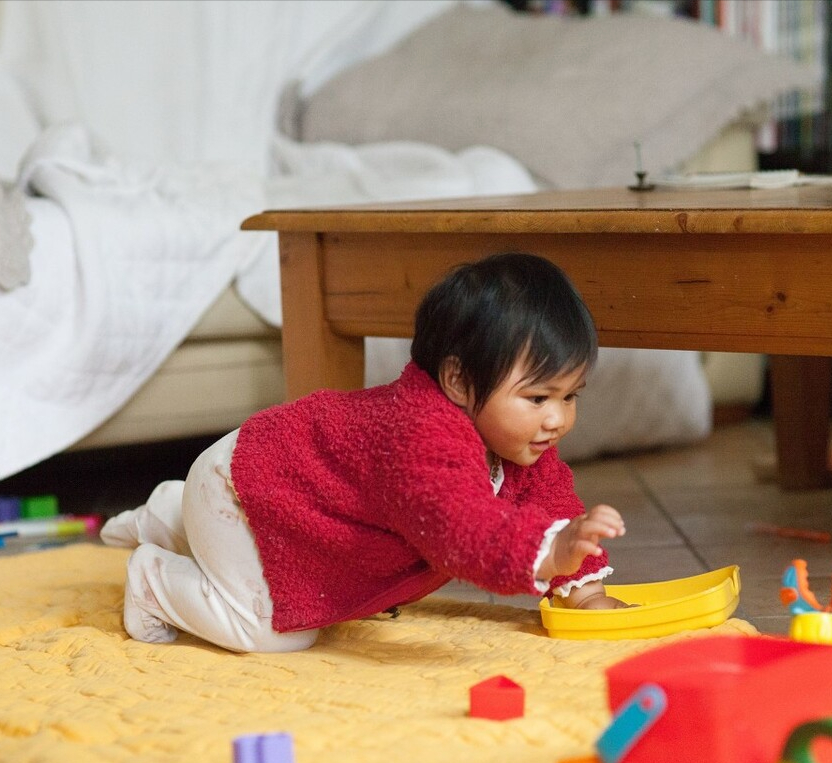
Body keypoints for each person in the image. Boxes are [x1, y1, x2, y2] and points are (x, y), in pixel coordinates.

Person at [101, 251, 627, 653]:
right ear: (460, 381)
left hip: (263, 497)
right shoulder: (421, 438)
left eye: (569, 396)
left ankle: (173, 514)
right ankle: (154, 580)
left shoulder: (519, 443)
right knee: (275, 632)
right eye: (537, 398)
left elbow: (553, 506)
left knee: (267, 576)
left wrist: (580, 586)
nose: (557, 419)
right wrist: (547, 552)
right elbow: (460, 530)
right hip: (241, 491)